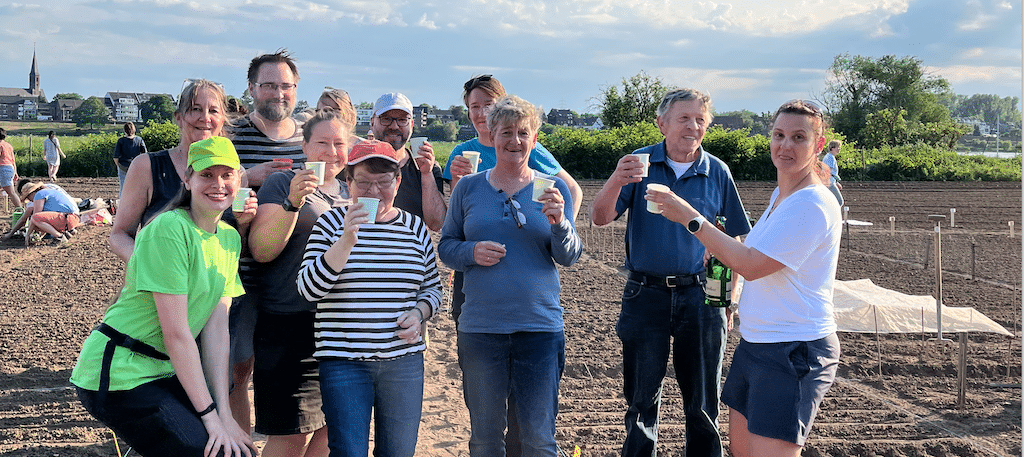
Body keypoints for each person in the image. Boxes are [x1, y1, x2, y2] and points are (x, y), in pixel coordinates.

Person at [646, 99, 842, 457]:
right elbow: (754, 251)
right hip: (757, 344)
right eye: (779, 135)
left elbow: (751, 265)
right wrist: (720, 248)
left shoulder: (812, 204)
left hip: (793, 348)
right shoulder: (783, 196)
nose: (785, 145)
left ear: (818, 144)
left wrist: (691, 218)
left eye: (798, 137)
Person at [70, 136, 258, 457]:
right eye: (207, 175)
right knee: (204, 450)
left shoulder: (229, 238)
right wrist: (210, 419)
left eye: (227, 175)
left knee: (238, 451)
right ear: (187, 179)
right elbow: (177, 334)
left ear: (239, 180)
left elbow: (216, 330)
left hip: (163, 370)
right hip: (121, 373)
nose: (218, 184)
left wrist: (225, 415)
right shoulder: (169, 229)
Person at [590, 88, 751, 457]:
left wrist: (727, 299)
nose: (693, 126)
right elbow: (599, 218)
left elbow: (731, 239)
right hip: (645, 294)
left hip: (702, 296)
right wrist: (616, 179)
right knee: (641, 402)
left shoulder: (716, 171)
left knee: (703, 404)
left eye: (700, 120)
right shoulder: (639, 164)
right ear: (662, 123)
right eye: (684, 119)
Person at [443, 75, 587, 455]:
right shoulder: (468, 188)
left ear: (534, 139)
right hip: (482, 329)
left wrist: (560, 223)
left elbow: (569, 256)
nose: (515, 141)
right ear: (491, 136)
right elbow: (447, 247)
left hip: (539, 329)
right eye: (506, 132)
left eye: (523, 133)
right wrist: (471, 252)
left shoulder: (551, 188)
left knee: (538, 439)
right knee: (486, 439)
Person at [297, 139, 442, 456]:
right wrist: (345, 241)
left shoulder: (414, 228)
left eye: (383, 182)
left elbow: (433, 288)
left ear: (398, 182)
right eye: (363, 182)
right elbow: (308, 289)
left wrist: (419, 314)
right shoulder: (330, 223)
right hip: (344, 362)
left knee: (398, 452)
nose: (374, 191)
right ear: (348, 183)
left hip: (403, 362)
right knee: (349, 451)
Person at [246, 110, 352, 457]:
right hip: (288, 323)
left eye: (339, 144)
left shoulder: (353, 192)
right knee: (291, 435)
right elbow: (262, 250)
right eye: (322, 142)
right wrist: (293, 202)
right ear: (305, 146)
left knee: (331, 430)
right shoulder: (283, 184)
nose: (331, 151)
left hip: (339, 329)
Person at [227, 49, 307, 434]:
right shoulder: (231, 137)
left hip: (293, 281)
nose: (278, 93)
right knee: (236, 370)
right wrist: (247, 176)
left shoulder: (310, 140)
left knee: (286, 374)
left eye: (286, 86)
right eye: (269, 85)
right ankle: (241, 446)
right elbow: (202, 193)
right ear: (251, 88)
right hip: (240, 276)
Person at [109, 79, 230, 263]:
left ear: (222, 120)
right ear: (178, 118)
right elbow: (120, 234)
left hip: (213, 281)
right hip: (157, 280)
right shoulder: (147, 166)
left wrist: (244, 223)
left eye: (213, 110)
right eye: (195, 109)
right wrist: (147, 267)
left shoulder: (234, 175)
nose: (205, 117)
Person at [369, 92, 446, 231]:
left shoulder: (426, 167)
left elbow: (436, 224)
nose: (394, 126)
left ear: (411, 124)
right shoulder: (357, 164)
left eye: (402, 120)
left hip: (410, 244)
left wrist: (426, 174)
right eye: (386, 119)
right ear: (372, 122)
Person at [11, 181, 79, 245]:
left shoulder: (39, 194)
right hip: (73, 218)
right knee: (39, 221)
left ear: (31, 193)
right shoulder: (48, 192)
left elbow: (35, 218)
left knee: (35, 218)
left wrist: (28, 234)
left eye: (28, 197)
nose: (29, 200)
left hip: (67, 218)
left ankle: (59, 236)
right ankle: (68, 231)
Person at [113, 122, 149, 197]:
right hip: (136, 167)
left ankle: (122, 202)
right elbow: (145, 155)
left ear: (125, 130)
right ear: (134, 129)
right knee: (136, 186)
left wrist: (119, 166)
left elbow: (115, 157)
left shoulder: (121, 141)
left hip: (123, 166)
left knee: (123, 187)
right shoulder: (139, 140)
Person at [0, 128, 21, 208]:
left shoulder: (0, 145)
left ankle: (20, 209)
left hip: (2, 168)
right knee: (11, 192)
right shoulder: (8, 145)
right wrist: (15, 171)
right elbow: (13, 160)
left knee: (11, 192)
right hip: (9, 168)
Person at [821, 140, 843, 206]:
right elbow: (828, 171)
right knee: (839, 201)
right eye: (838, 147)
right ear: (832, 148)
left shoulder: (829, 156)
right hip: (829, 182)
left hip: (829, 181)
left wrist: (836, 182)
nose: (839, 149)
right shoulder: (830, 157)